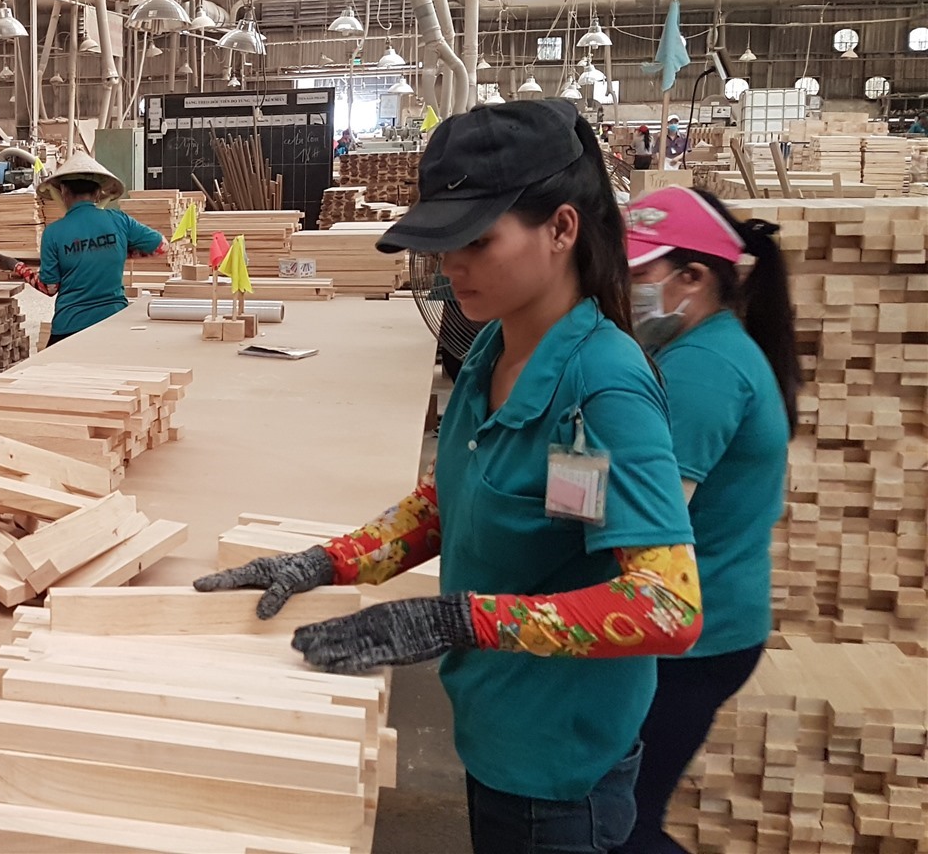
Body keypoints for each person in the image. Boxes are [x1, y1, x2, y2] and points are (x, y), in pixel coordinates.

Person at [197, 99, 699, 854]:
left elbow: (669, 605)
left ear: (562, 229)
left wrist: (458, 621)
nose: (451, 263)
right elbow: (448, 501)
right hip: (493, 731)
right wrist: (326, 562)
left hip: (557, 773)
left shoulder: (605, 389)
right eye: (442, 242)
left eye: (478, 240)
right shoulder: (494, 349)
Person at [619, 186, 797, 854]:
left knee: (620, 827)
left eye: (637, 274)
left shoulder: (703, 370)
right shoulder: (707, 346)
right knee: (621, 816)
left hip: (692, 638)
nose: (621, 291)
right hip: (709, 621)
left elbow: (649, 524)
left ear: (692, 278)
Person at [0, 153, 165, 346]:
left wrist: (16, 266)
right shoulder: (119, 220)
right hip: (114, 322)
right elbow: (161, 246)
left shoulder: (53, 232)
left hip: (71, 326)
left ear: (63, 191)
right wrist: (117, 250)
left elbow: (49, 287)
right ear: (98, 193)